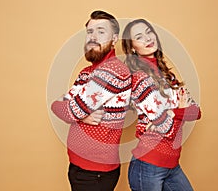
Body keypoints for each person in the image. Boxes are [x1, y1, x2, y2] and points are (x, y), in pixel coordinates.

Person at [51, 10, 131, 191]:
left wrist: (75, 112)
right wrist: (80, 115)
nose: (93, 37)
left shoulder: (113, 71)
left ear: (114, 39)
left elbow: (71, 110)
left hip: (95, 174)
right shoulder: (86, 73)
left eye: (101, 32)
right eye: (90, 32)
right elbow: (57, 106)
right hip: (78, 165)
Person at [121, 19, 201, 191]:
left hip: (172, 166)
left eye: (149, 32)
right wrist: (178, 110)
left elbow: (196, 112)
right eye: (139, 37)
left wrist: (171, 113)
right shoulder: (140, 78)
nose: (147, 38)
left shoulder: (168, 76)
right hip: (149, 166)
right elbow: (167, 129)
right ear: (133, 48)